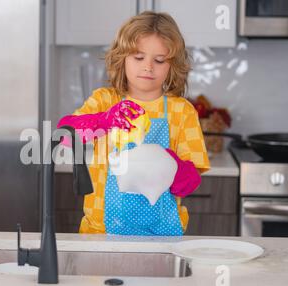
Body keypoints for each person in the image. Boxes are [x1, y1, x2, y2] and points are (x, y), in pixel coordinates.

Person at [57, 11, 210, 236]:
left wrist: (168, 164)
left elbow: (190, 183)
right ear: (122, 59)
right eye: (138, 57)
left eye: (159, 60)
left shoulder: (182, 111)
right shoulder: (104, 101)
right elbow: (63, 135)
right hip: (100, 232)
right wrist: (105, 121)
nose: (148, 67)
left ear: (172, 66)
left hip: (161, 235)